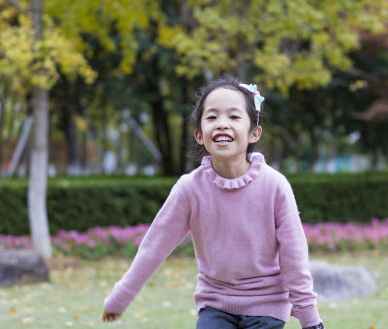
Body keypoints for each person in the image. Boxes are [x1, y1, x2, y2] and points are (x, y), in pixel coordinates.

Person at [101, 76, 325, 329]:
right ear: (199, 135)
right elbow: (154, 248)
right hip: (215, 305)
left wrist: (309, 319)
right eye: (212, 117)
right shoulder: (189, 189)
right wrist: (119, 298)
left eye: (233, 116)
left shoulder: (275, 186)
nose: (222, 124)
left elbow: (294, 257)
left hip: (267, 304)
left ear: (254, 133)